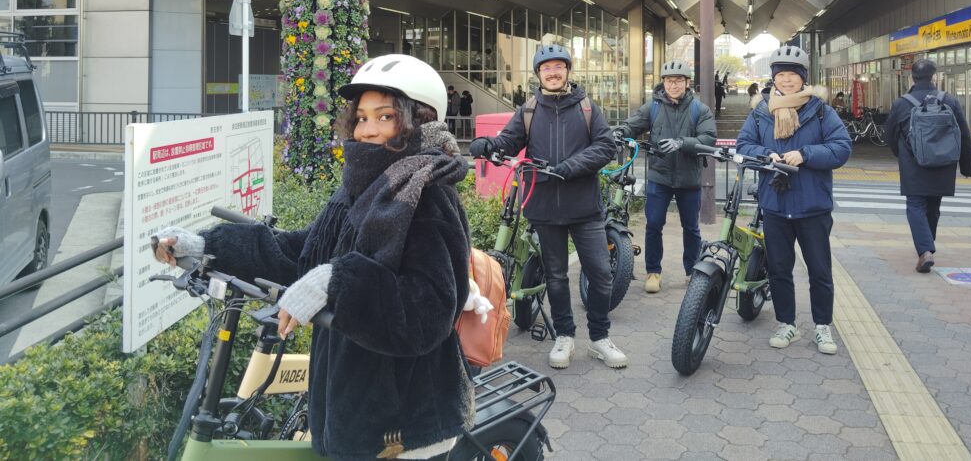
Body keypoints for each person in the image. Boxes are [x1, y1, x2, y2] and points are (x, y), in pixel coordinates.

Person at [152, 55, 474, 460]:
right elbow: (302, 254)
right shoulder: (362, 185)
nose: (368, 130)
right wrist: (207, 245)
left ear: (419, 120)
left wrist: (338, 281)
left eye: (386, 116)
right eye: (361, 118)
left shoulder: (427, 193)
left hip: (402, 419)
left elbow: (428, 311)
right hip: (355, 401)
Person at [468, 44, 626, 370]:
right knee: (556, 276)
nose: (553, 73)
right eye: (546, 68)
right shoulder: (528, 110)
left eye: (558, 67)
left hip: (584, 206)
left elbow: (605, 146)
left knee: (600, 274)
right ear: (539, 74)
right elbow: (508, 142)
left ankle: (599, 338)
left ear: (568, 71)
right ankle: (564, 336)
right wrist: (487, 145)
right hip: (544, 206)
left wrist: (572, 166)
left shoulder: (586, 107)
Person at [736, 45, 852, 356]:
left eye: (792, 75)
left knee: (819, 270)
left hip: (813, 205)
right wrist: (765, 155)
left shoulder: (821, 111)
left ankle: (822, 326)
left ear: (803, 78)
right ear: (774, 78)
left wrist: (806, 154)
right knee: (779, 269)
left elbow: (842, 147)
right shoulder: (762, 111)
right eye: (781, 75)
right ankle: (786, 323)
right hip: (774, 203)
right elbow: (744, 143)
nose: (787, 81)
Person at [614, 60, 716, 293]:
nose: (673, 85)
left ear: (687, 83)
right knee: (654, 225)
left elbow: (709, 138)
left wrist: (682, 143)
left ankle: (692, 271)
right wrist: (620, 132)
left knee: (691, 227)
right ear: (663, 82)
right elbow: (633, 124)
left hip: (689, 178)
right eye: (669, 81)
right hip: (659, 176)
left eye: (678, 80)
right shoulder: (654, 107)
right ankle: (653, 272)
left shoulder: (699, 109)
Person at [884, 58, 971, 273]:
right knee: (933, 206)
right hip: (944, 164)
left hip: (914, 165)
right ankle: (928, 248)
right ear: (934, 76)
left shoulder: (901, 103)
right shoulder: (949, 100)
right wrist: (967, 166)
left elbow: (889, 135)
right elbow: (963, 135)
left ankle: (925, 250)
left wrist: (902, 154)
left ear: (911, 77)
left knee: (915, 206)